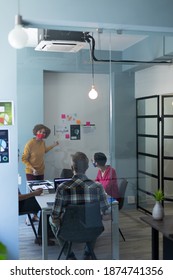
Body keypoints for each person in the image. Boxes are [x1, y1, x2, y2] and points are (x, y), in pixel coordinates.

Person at [49, 151, 110, 260]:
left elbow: (55, 216)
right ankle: (88, 252)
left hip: (68, 230)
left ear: (72, 167)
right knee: (95, 220)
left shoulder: (62, 187)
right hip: (91, 230)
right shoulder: (98, 187)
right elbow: (106, 212)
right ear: (86, 167)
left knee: (50, 219)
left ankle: (69, 255)